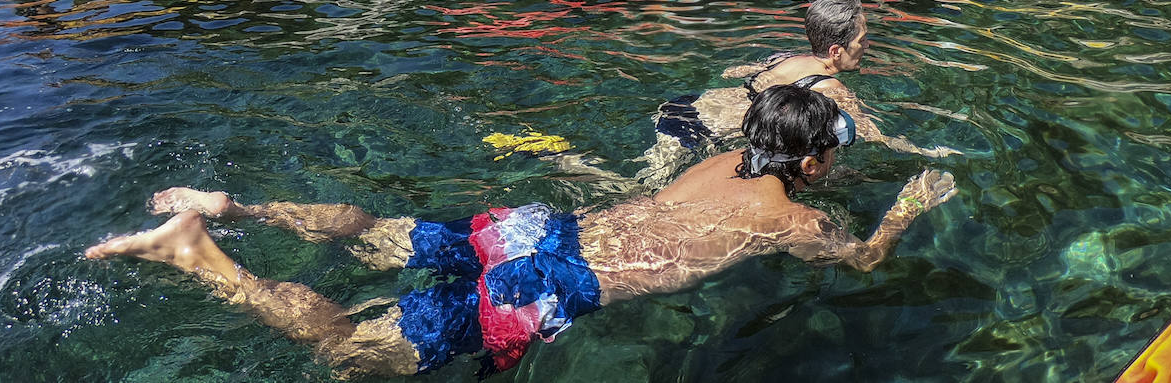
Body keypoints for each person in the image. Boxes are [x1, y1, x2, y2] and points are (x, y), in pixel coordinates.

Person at [85, 86, 957, 378]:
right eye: (830, 154)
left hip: (536, 227)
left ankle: (243, 206)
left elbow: (653, 189)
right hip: (543, 289)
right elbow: (861, 259)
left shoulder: (717, 164)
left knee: (381, 230)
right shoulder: (794, 220)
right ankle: (200, 249)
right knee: (350, 352)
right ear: (807, 165)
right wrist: (907, 210)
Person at [643, 0, 955, 187]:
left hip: (683, 108)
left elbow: (733, 73)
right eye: (862, 41)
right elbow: (875, 136)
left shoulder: (787, 58)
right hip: (697, 133)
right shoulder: (831, 88)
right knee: (642, 194)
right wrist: (928, 153)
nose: (867, 47)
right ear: (836, 50)